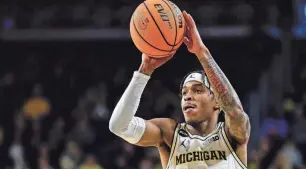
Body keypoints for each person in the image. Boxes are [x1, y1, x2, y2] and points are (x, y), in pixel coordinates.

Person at [109, 11, 250, 169]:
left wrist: (202, 52)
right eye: (184, 93)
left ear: (217, 101)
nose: (188, 96)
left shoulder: (231, 134)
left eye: (197, 90)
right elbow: (119, 126)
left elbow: (234, 111)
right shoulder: (169, 133)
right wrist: (144, 72)